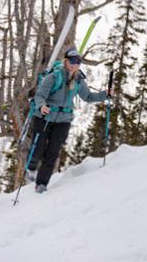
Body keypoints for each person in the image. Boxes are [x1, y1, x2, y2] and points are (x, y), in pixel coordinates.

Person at [27, 47, 110, 192]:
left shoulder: (78, 80)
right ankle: (31, 167)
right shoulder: (53, 76)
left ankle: (41, 184)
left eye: (78, 62)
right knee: (38, 148)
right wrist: (42, 106)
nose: (75, 64)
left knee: (53, 152)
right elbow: (40, 96)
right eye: (72, 61)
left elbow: (88, 97)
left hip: (64, 120)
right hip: (45, 116)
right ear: (66, 61)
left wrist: (105, 94)